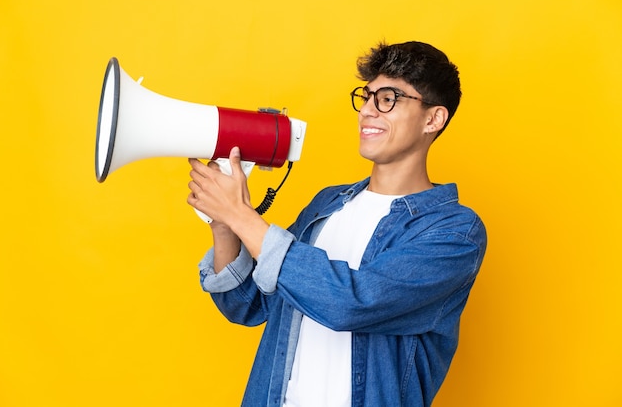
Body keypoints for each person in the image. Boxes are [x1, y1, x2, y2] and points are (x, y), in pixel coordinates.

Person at [187, 40, 487, 407]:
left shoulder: (454, 231)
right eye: (367, 96)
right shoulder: (328, 205)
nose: (368, 112)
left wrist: (241, 215)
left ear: (433, 118)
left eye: (388, 98)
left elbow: (352, 302)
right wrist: (223, 225)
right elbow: (246, 305)